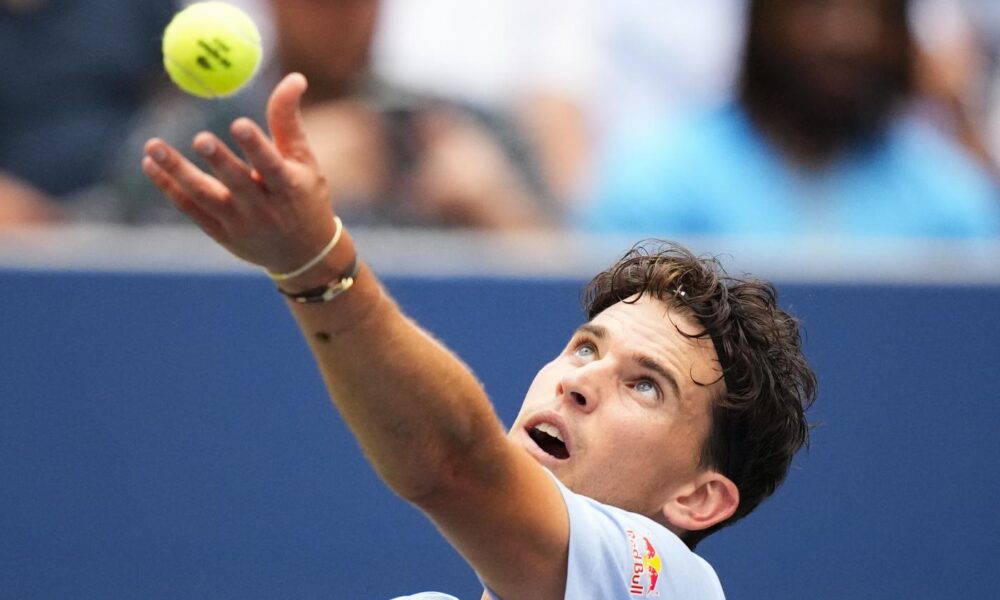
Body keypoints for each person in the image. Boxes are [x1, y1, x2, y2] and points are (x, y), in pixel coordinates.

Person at [140, 73, 817, 598]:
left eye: (645, 385)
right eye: (586, 348)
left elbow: (456, 466)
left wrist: (314, 262)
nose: (579, 382)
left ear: (698, 498)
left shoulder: (672, 587)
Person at [116, 0, 552, 229]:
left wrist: (494, 207)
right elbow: (119, 273)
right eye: (323, 1)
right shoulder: (194, 135)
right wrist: (275, 197)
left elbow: (569, 285)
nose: (350, 17)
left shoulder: (458, 127)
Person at [582, 0, 1000, 239]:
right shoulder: (656, 185)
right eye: (817, 8)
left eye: (873, 12)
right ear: (762, 19)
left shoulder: (951, 200)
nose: (847, 37)